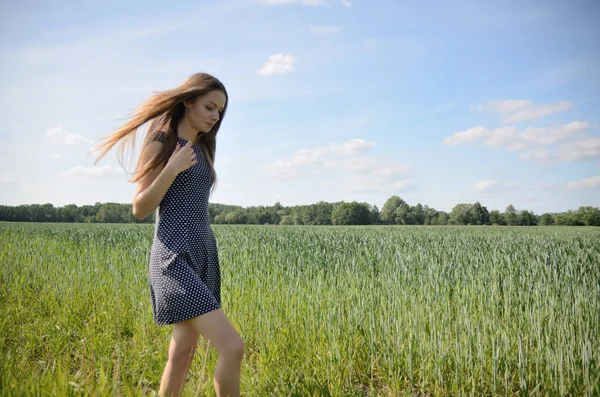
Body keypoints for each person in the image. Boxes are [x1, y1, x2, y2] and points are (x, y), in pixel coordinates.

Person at [92, 73, 244, 397]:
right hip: (172, 259)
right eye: (209, 106)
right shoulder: (162, 141)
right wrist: (172, 167)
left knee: (182, 353)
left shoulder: (203, 147)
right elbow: (140, 207)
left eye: (220, 111)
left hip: (202, 255)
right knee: (232, 347)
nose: (215, 116)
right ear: (188, 101)